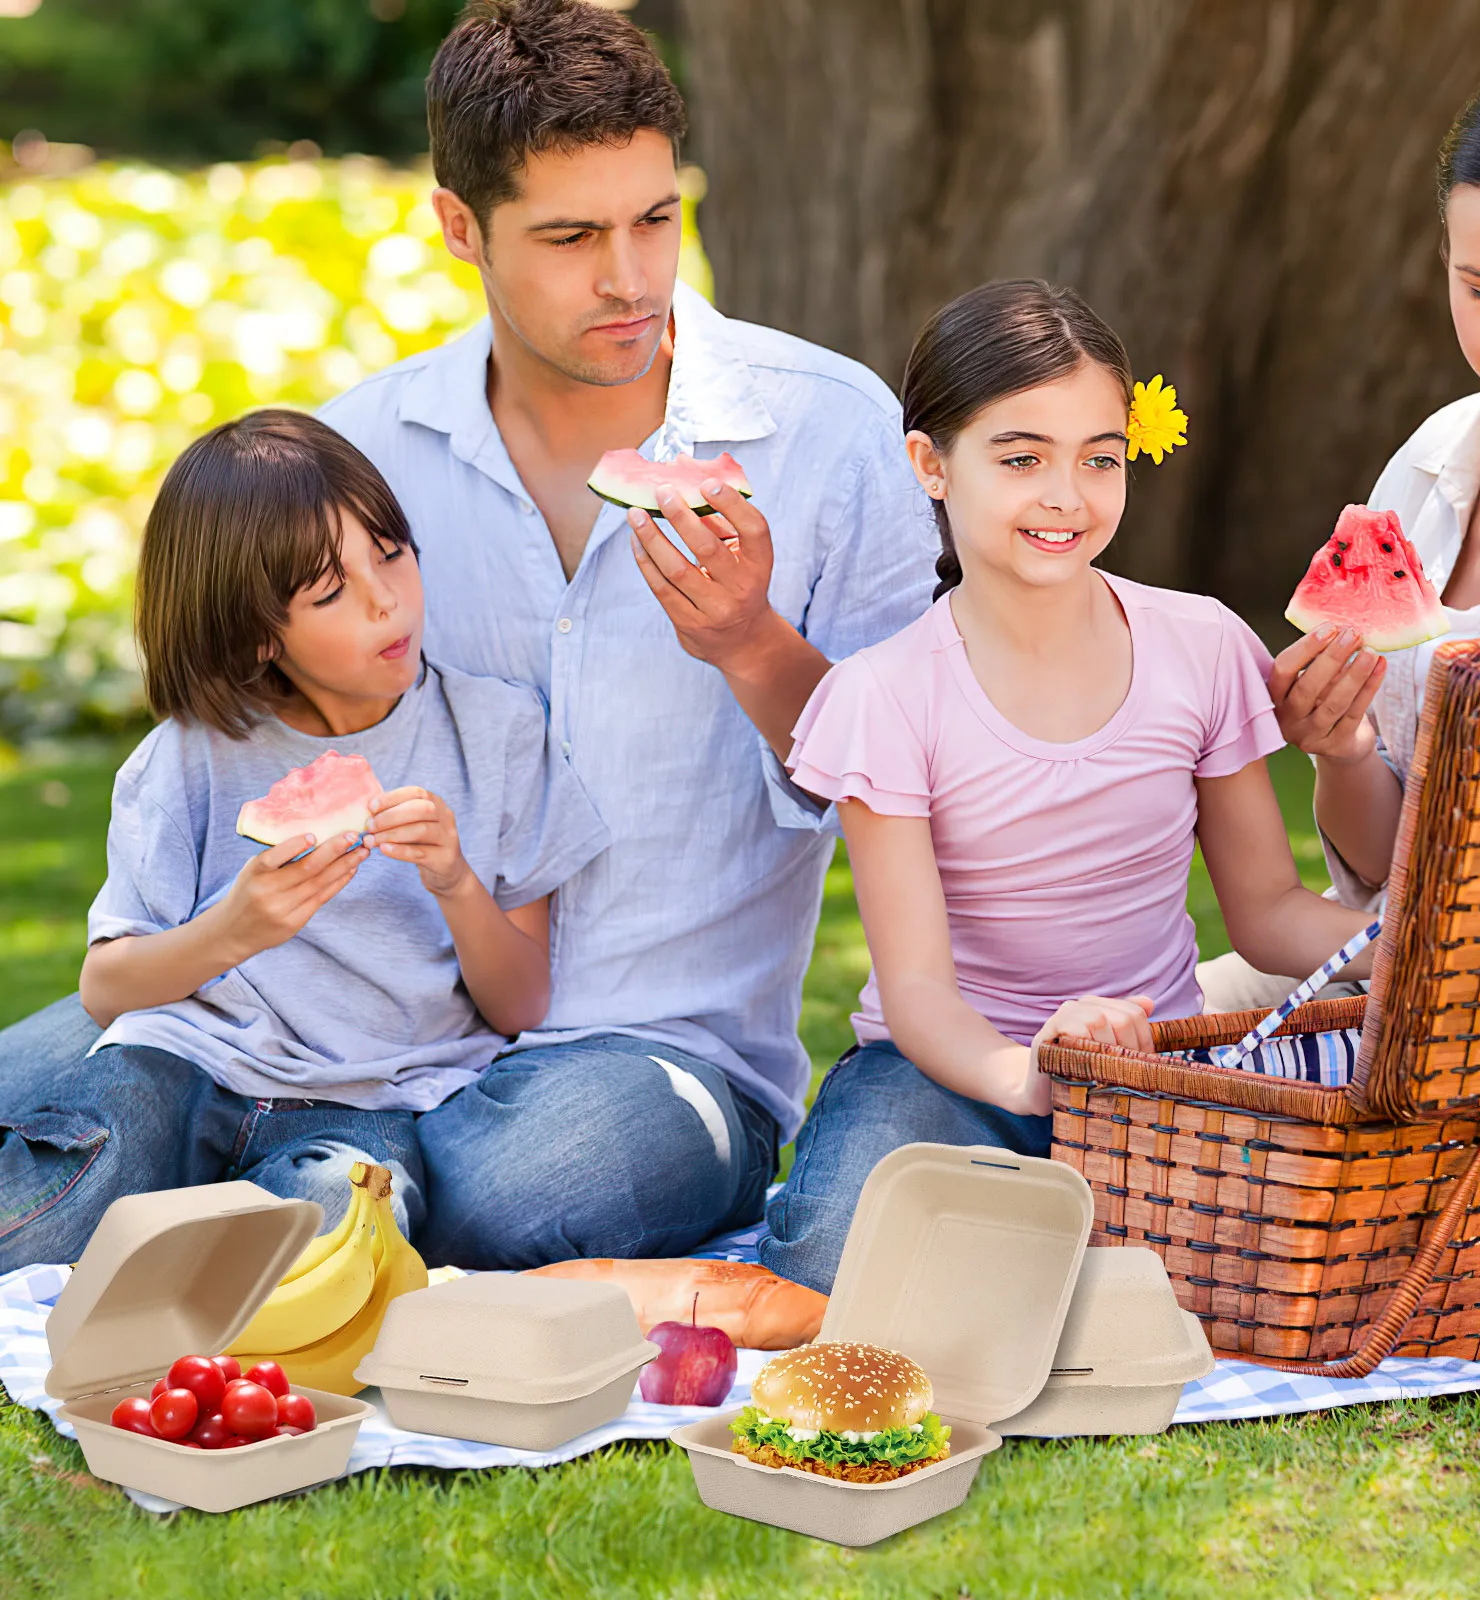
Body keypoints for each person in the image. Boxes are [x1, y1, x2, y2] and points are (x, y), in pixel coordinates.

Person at [0, 0, 934, 1268]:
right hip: (314, 1022)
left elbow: (917, 782)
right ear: (458, 227)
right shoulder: (362, 454)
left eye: (657, 217)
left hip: (657, 1048)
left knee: (507, 1191)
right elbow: (247, 721)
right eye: (570, 235)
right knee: (32, 1083)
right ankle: (278, 1180)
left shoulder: (831, 430)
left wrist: (752, 645)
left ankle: (258, 1196)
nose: (632, 278)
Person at [759, 280, 1377, 1293]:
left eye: (1099, 457)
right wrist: (1029, 1076)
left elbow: (1264, 912)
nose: (1067, 495)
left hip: (1158, 1065)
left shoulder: (1201, 645)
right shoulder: (885, 695)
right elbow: (916, 993)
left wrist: (1401, 956)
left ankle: (1043, 1236)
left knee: (1279, 1254)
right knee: (832, 1257)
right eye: (1020, 459)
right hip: (953, 1072)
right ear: (930, 464)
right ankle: (1039, 1225)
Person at [0, 412, 607, 1270]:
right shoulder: (188, 758)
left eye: (390, 552)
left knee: (336, 1233)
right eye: (330, 593)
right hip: (180, 1069)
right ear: (257, 632)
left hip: (364, 1107)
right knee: (42, 1214)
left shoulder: (498, 734)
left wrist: (457, 883)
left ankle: (185, 1263)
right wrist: (235, 930)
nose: (384, 598)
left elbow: (521, 1004)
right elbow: (106, 990)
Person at [1201, 60, 1480, 1011]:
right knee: (1103, 1035)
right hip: (1402, 967)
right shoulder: (1429, 461)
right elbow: (1389, 871)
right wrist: (1340, 750)